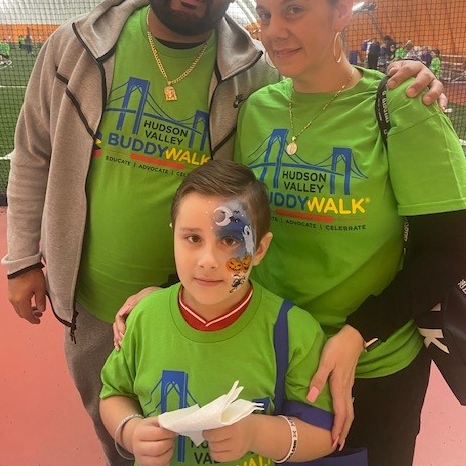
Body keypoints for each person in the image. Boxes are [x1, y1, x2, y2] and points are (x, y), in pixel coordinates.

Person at [3, 0, 442, 466]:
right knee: (134, 439)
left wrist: (407, 80)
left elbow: (325, 96)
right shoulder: (79, 49)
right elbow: (33, 154)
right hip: (106, 304)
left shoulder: (255, 77)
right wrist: (24, 259)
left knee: (230, 447)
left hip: (233, 315)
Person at [232, 0, 466, 466]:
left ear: (341, 9)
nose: (274, 30)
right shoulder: (258, 109)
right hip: (271, 358)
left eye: (294, 9)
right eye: (266, 14)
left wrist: (359, 333)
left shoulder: (401, 106)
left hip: (374, 370)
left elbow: (449, 248)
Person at [100, 159, 341, 466]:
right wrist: (130, 431)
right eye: (193, 238)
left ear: (260, 249)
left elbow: (323, 434)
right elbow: (113, 394)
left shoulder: (294, 330)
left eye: (229, 240)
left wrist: (255, 434)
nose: (207, 260)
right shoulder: (144, 317)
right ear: (173, 236)